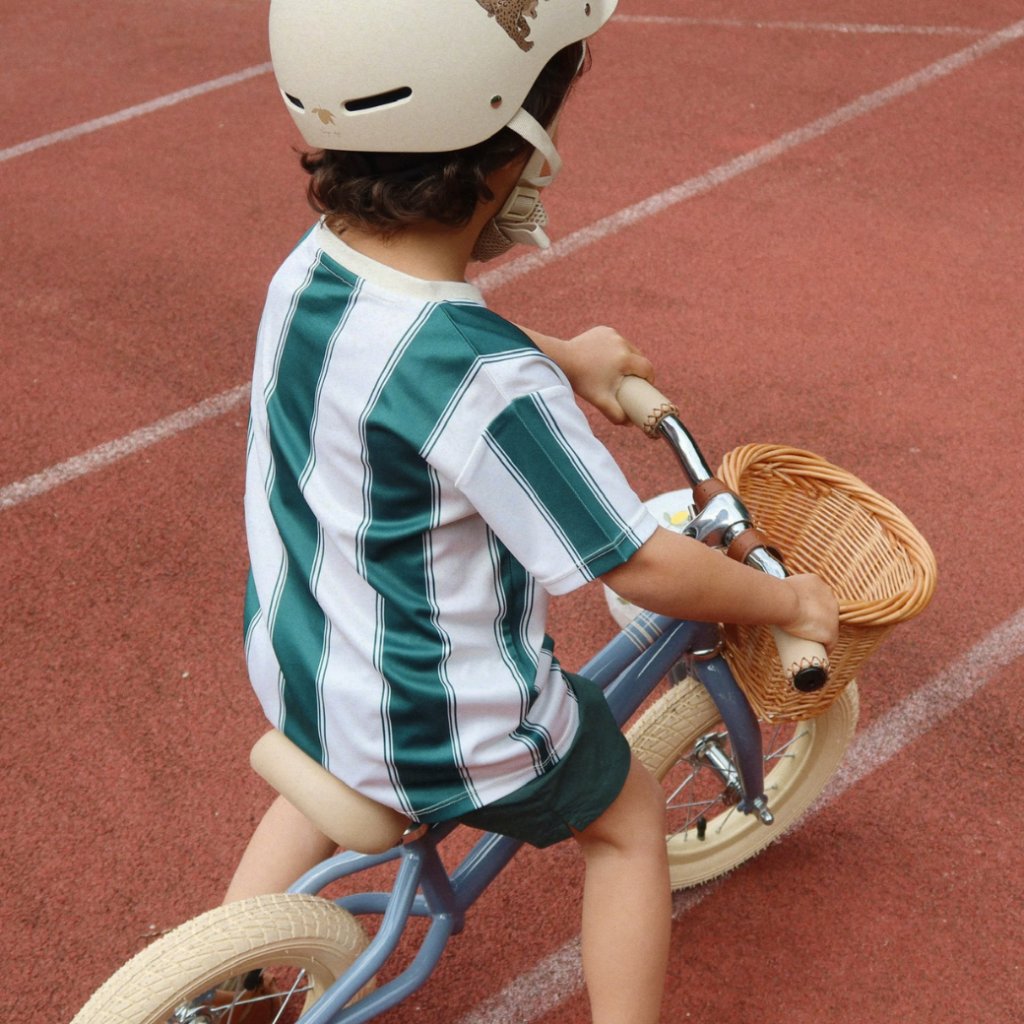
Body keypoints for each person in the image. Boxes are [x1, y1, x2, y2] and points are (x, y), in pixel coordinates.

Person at [226, 3, 839, 1022]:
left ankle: (225, 981)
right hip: (446, 724)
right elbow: (637, 563)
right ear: (508, 151)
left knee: (331, 770)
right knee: (627, 821)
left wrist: (567, 355)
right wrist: (788, 603)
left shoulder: (310, 268)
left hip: (303, 659)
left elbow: (404, 336)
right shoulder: (492, 383)